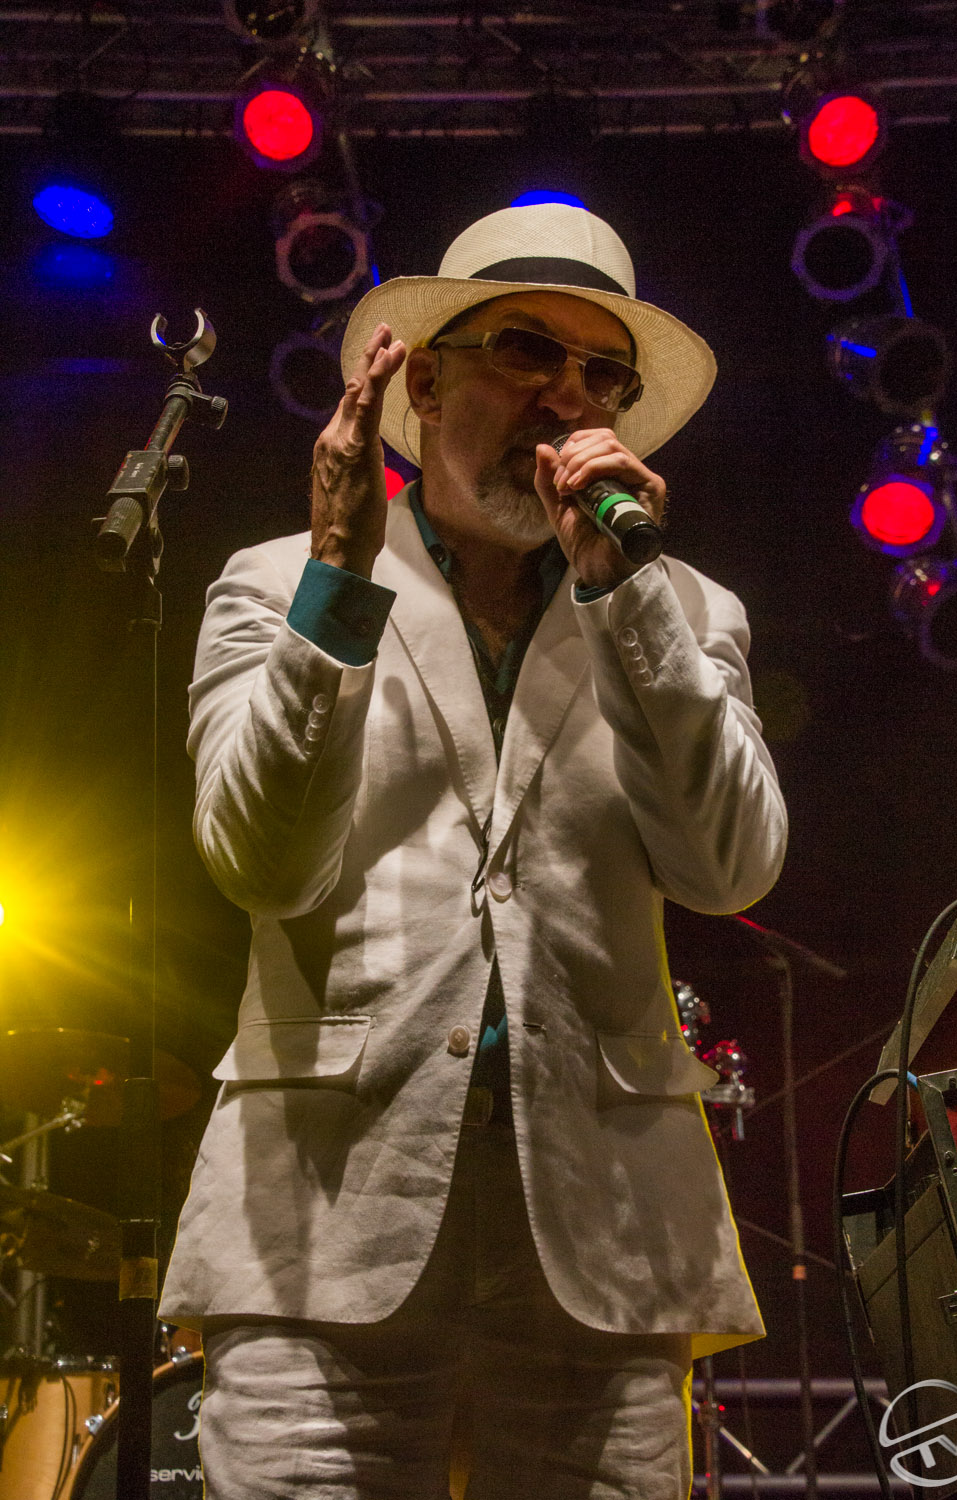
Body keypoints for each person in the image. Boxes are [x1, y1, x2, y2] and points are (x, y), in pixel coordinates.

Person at [159, 201, 787, 1499]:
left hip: (606, 1241)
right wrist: (340, 581)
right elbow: (262, 866)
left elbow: (728, 869)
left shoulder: (682, 609)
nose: (568, 395)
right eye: (527, 350)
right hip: (320, 1233)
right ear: (425, 383)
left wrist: (630, 605)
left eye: (603, 375)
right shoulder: (278, 583)